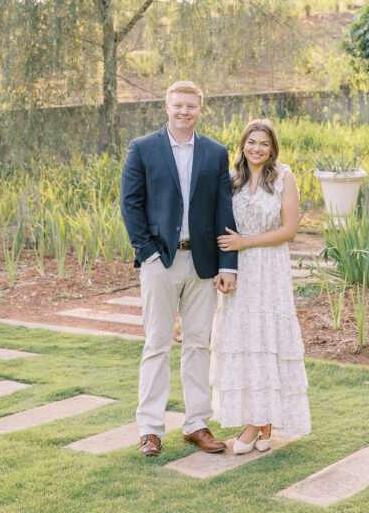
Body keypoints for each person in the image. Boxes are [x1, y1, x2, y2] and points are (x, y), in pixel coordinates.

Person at [120, 80, 238, 457]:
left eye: (191, 106)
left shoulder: (216, 153)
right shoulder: (143, 148)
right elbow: (130, 204)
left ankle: (197, 424)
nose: (184, 112)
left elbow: (224, 210)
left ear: (200, 109)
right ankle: (150, 429)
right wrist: (147, 252)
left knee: (198, 345)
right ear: (166, 107)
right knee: (156, 343)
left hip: (202, 263)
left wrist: (227, 265)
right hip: (160, 262)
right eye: (178, 105)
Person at [210, 118, 311, 451]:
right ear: (242, 144)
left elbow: (289, 229)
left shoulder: (284, 177)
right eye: (251, 142)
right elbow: (220, 225)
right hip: (239, 270)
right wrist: (225, 263)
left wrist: (247, 242)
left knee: (267, 339)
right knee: (244, 339)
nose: (257, 148)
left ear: (272, 148)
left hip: (270, 267)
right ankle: (262, 422)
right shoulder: (231, 180)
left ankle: (255, 424)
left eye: (264, 143)